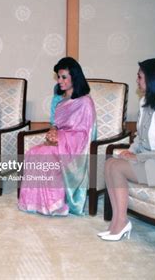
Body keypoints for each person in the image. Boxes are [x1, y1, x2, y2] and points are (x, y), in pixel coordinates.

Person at [99, 58, 155, 241]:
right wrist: (132, 150)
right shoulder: (146, 104)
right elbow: (139, 138)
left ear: (152, 79)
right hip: (152, 161)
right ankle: (117, 222)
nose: (137, 80)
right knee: (111, 162)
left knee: (117, 167)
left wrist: (138, 156)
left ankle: (120, 223)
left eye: (140, 76)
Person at [18, 57, 96, 216]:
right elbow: (57, 124)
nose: (59, 81)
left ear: (74, 77)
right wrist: (53, 131)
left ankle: (55, 204)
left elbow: (86, 133)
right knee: (33, 152)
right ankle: (36, 203)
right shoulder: (61, 101)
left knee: (45, 155)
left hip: (75, 147)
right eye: (58, 77)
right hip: (60, 141)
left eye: (64, 77)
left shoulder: (85, 102)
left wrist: (61, 139)